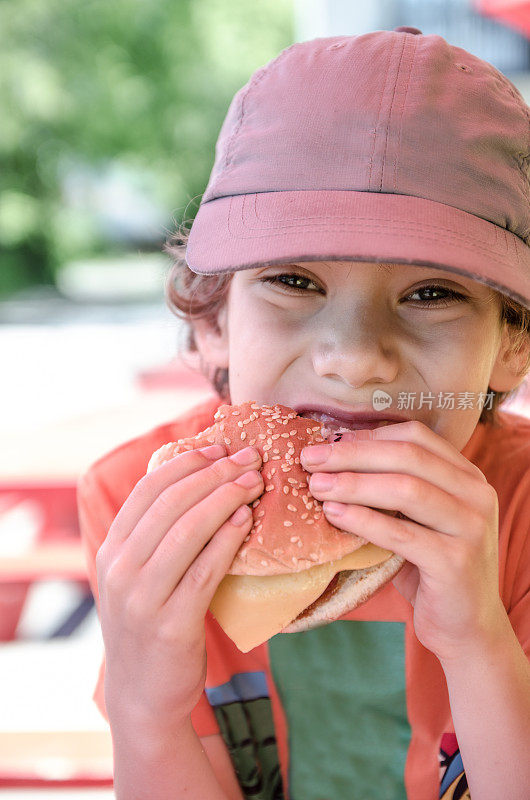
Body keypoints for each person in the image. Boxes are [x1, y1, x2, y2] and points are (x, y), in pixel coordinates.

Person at [77, 27, 530, 800]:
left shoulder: (518, 508)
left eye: (432, 294)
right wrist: (143, 709)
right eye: (292, 280)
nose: (353, 357)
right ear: (214, 322)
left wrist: (478, 642)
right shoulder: (141, 503)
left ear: (510, 350)